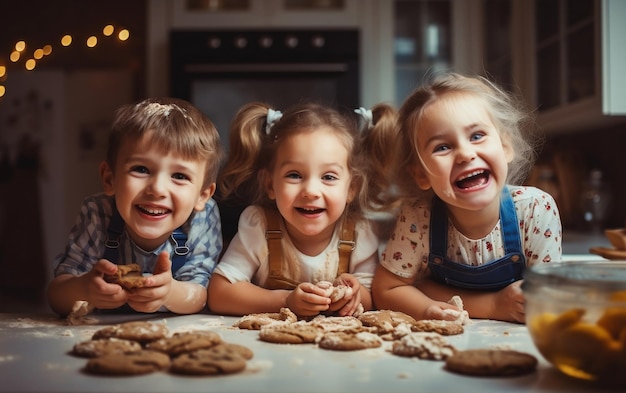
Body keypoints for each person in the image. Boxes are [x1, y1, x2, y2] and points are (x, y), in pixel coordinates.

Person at [371, 73, 562, 323]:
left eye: (476, 136)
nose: (464, 154)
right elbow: (387, 289)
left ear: (505, 147)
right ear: (421, 174)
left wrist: (428, 289)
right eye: (442, 147)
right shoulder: (419, 216)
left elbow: (550, 298)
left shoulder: (536, 209)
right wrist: (489, 306)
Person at [208, 101, 396, 318]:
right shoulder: (259, 226)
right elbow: (220, 293)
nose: (311, 191)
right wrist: (284, 301)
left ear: (352, 187)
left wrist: (354, 295)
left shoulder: (359, 232)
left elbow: (373, 297)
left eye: (328, 177)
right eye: (294, 175)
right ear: (270, 184)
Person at [47, 97, 224, 316]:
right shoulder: (98, 213)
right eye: (141, 169)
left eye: (179, 176)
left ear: (202, 195)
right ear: (109, 179)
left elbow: (199, 295)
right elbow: (56, 295)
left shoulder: (202, 218)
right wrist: (84, 289)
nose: (157, 189)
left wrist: (170, 293)